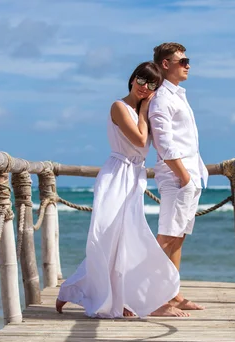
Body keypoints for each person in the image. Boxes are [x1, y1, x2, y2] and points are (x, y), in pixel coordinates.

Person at [56, 61, 190, 318]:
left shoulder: (146, 112)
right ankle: (75, 291)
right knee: (105, 237)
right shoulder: (119, 107)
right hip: (116, 175)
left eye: (153, 84)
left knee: (127, 240)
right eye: (142, 81)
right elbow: (140, 140)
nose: (145, 87)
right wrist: (144, 110)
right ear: (133, 79)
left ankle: (126, 300)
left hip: (135, 177)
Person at [148, 43, 209, 311]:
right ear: (165, 64)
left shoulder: (178, 95)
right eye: (183, 61)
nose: (188, 65)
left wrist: (192, 177)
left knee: (178, 236)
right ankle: (149, 296)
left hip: (189, 176)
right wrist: (183, 177)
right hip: (176, 177)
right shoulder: (162, 98)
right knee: (167, 237)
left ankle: (172, 293)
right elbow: (164, 143)